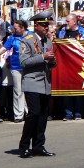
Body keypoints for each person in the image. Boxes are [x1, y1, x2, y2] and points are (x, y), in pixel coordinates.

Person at [18, 15, 56, 158]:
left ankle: (39, 145)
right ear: (36, 26)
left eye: (47, 25)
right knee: (34, 114)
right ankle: (24, 146)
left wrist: (52, 61)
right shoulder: (27, 41)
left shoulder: (48, 42)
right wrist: (43, 57)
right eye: (43, 25)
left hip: (45, 83)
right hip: (32, 82)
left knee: (43, 116)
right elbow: (24, 62)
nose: (46, 27)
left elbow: (51, 63)